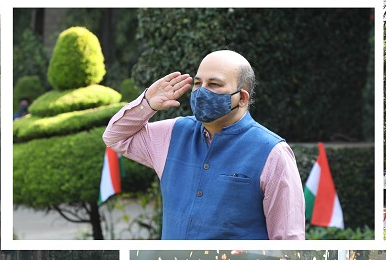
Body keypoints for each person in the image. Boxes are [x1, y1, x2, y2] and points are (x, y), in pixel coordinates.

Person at [103, 50, 304, 240]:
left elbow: (288, 240)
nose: (202, 92)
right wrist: (147, 103)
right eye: (198, 83)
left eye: (214, 84)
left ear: (242, 98)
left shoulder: (272, 152)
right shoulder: (173, 133)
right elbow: (116, 137)